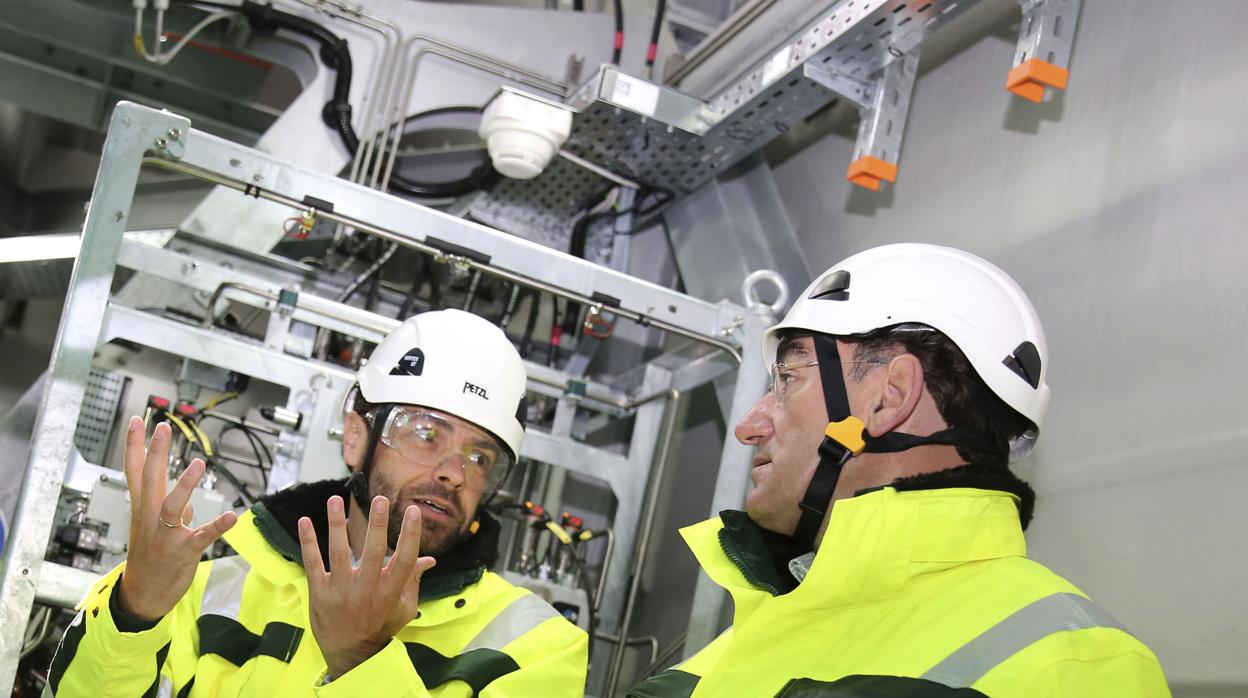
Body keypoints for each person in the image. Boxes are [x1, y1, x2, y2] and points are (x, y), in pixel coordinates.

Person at [630, 244, 1169, 697]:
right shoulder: (741, 641)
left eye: (787, 380)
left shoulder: (1080, 670)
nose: (748, 426)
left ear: (889, 399)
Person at [47, 309, 588, 696]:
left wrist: (362, 663)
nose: (453, 472)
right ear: (356, 436)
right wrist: (135, 611)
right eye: (426, 433)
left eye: (482, 457)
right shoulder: (208, 581)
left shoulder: (536, 647)